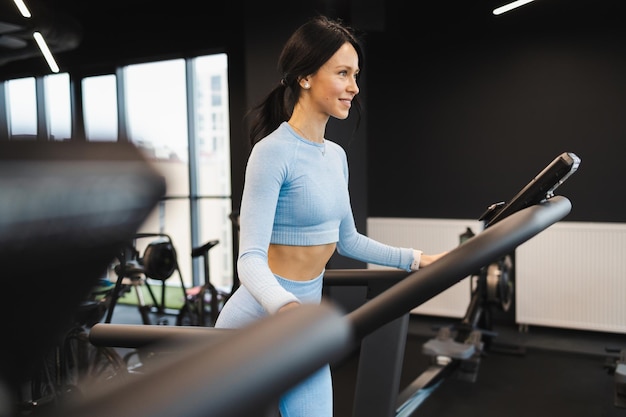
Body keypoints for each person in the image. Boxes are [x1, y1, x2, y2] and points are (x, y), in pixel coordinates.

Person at [215, 15, 447, 416]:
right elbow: (249, 260)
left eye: (356, 74)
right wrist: (288, 310)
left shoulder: (335, 156)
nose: (354, 87)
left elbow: (347, 239)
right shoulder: (272, 153)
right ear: (305, 77)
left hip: (303, 324)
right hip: (256, 321)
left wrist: (417, 259)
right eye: (343, 73)